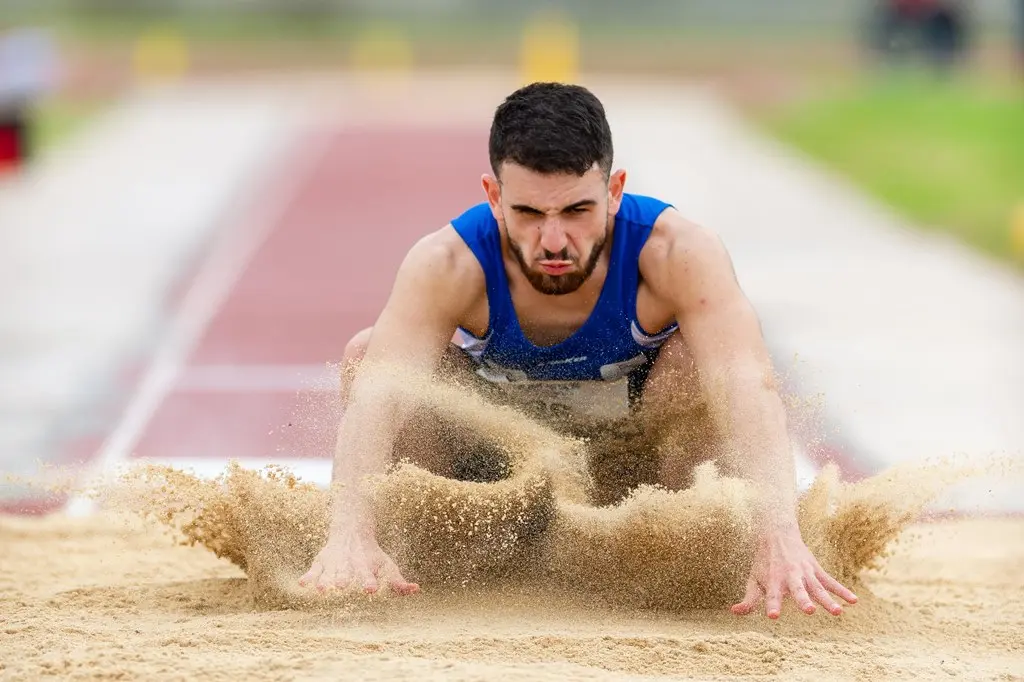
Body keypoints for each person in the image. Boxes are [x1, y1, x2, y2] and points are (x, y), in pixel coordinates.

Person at [298, 82, 859, 620]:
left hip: (635, 471)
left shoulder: (678, 253)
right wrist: (348, 532)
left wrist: (778, 531)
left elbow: (746, 385)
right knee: (367, 355)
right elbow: (378, 396)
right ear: (493, 197)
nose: (554, 242)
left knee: (698, 363)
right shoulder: (447, 264)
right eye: (528, 214)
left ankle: (710, 558)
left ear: (614, 191)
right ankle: (419, 555)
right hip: (490, 476)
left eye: (576, 211)